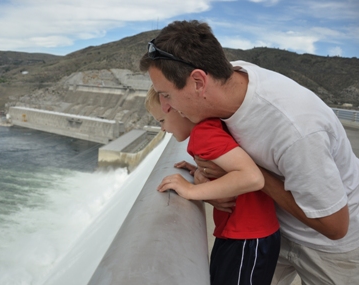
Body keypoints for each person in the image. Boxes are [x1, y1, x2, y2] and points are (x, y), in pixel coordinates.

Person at [139, 20, 359, 285]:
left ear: (198, 82)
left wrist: (248, 175)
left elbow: (335, 227)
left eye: (166, 95)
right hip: (272, 227)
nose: (165, 107)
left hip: (331, 247)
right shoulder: (228, 79)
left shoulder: (296, 130)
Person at [145, 86, 280, 285]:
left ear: (178, 110)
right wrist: (201, 170)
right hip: (242, 233)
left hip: (247, 237)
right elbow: (230, 164)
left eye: (162, 121)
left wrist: (192, 190)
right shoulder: (210, 127)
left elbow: (253, 177)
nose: (163, 129)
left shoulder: (202, 135)